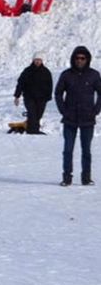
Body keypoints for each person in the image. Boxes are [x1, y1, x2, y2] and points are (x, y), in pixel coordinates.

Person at [54, 46, 101, 186]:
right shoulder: (66, 75)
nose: (79, 61)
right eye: (77, 58)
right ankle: (66, 177)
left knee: (86, 150)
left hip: (87, 119)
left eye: (82, 58)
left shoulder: (94, 75)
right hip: (70, 119)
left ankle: (86, 178)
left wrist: (96, 110)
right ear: (73, 59)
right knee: (68, 150)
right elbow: (57, 93)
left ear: (87, 59)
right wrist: (63, 110)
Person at [14, 52, 53, 135]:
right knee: (32, 114)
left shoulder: (46, 72)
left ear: (42, 61)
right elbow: (20, 83)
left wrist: (48, 97)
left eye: (39, 60)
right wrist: (17, 96)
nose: (37, 62)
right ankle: (33, 132)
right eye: (36, 60)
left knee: (38, 115)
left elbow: (50, 85)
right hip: (29, 97)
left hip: (42, 99)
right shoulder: (27, 71)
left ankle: (33, 130)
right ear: (33, 60)